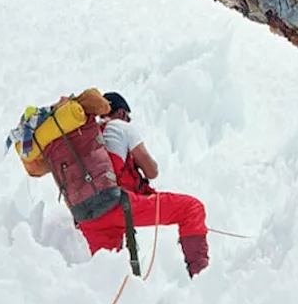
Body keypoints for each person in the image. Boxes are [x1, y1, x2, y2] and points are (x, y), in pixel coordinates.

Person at [73, 90, 210, 278]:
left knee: (109, 278)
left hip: (88, 217)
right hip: (117, 205)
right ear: (121, 113)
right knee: (191, 208)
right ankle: (202, 278)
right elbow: (151, 171)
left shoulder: (87, 137)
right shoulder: (121, 126)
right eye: (128, 116)